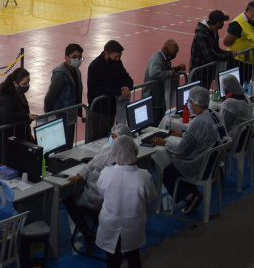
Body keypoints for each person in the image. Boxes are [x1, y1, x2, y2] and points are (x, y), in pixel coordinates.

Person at [149, 86, 228, 215]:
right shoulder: (215, 115)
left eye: (189, 101)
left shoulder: (198, 122)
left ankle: (189, 196)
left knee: (166, 169)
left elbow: (181, 150)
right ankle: (193, 193)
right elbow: (200, 138)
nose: (188, 104)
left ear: (196, 104)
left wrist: (165, 143)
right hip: (213, 163)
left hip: (199, 165)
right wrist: (183, 135)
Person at [64, 124, 132, 251]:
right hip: (103, 200)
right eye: (111, 136)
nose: (111, 139)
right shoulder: (110, 151)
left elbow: (99, 188)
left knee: (67, 199)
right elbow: (91, 163)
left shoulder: (116, 160)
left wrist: (85, 179)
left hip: (98, 201)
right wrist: (81, 175)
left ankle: (87, 233)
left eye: (114, 136)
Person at [96, 137, 157, 268]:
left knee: (112, 261)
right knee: (134, 258)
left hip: (110, 225)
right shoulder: (144, 176)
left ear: (114, 153)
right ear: (135, 152)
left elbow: (100, 192)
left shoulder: (106, 173)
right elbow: (151, 197)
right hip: (133, 226)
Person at [86, 40, 134, 142]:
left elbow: (126, 78)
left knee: (108, 139)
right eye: (116, 57)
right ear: (106, 54)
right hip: (98, 112)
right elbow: (97, 89)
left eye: (119, 57)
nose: (118, 59)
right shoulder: (95, 66)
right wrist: (118, 91)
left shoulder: (117, 63)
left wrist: (127, 87)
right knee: (96, 141)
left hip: (111, 110)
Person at [0, 67, 38, 162]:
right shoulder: (6, 96)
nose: (27, 85)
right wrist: (26, 116)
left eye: (29, 82)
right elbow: (7, 116)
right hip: (8, 146)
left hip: (19, 141)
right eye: (24, 83)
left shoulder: (18, 92)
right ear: (15, 83)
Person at [44, 43, 84, 147]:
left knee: (69, 144)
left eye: (80, 57)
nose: (78, 60)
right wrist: (49, 117)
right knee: (60, 146)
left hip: (70, 115)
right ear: (66, 58)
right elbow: (49, 97)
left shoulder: (77, 71)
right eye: (74, 57)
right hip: (60, 117)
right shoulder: (60, 75)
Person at [143, 39, 186, 124]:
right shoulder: (157, 59)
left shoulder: (165, 58)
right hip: (154, 98)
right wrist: (169, 73)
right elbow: (153, 73)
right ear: (165, 49)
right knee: (156, 121)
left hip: (160, 96)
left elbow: (164, 70)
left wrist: (177, 69)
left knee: (161, 118)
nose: (175, 55)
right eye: (173, 53)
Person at [224, 0, 254, 84]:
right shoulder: (237, 24)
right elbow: (226, 42)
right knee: (235, 85)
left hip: (250, 61)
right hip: (238, 61)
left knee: (245, 84)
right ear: (249, 11)